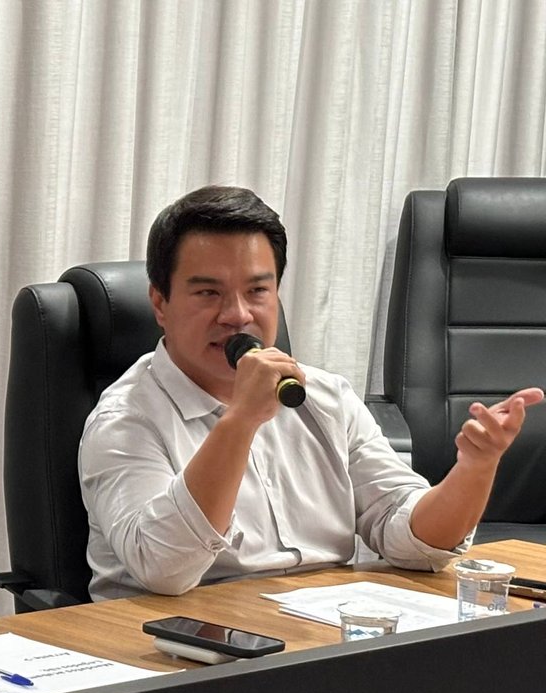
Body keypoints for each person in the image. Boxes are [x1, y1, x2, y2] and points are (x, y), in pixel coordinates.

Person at [79, 185, 542, 599]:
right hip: (172, 646)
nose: (237, 315)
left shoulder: (324, 396)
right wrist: (240, 421)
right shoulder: (125, 419)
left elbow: (410, 537)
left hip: (317, 634)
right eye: (208, 294)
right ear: (160, 303)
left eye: (257, 291)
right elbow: (163, 569)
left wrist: (475, 468)